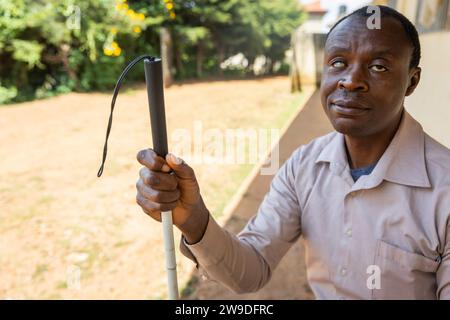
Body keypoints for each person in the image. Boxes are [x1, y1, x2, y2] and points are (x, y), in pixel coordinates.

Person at [135, 6, 450, 299]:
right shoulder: (304, 166)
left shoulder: (443, 189)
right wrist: (192, 218)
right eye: (338, 62)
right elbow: (251, 269)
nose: (352, 81)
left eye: (379, 66)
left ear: (412, 81)